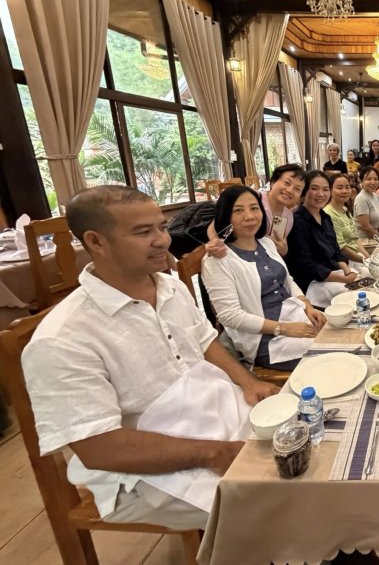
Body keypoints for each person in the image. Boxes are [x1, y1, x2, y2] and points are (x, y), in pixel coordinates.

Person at [22, 185, 278, 530]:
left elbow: (205, 341)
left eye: (162, 226)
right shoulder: (62, 338)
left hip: (218, 415)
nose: (163, 240)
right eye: (144, 232)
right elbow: (100, 448)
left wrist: (248, 382)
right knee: (279, 498)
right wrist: (217, 452)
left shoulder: (170, 286)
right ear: (96, 241)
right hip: (143, 471)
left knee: (313, 444)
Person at [202, 186, 325, 372]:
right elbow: (230, 316)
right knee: (329, 351)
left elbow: (288, 280)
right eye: (238, 211)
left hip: (294, 316)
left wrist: (307, 306)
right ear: (225, 216)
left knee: (341, 333)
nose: (250, 216)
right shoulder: (217, 260)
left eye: (254, 208)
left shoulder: (266, 243)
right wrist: (284, 328)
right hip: (263, 338)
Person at [287, 171, 360, 308]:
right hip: (312, 283)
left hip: (334, 274)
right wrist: (342, 278)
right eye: (314, 188)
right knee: (356, 297)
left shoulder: (325, 217)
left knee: (365, 281)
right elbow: (306, 266)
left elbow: (336, 251)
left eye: (325, 189)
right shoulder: (297, 221)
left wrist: (347, 271)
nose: (321, 194)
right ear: (304, 191)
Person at [207, 163, 304, 258]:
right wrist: (215, 242)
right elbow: (216, 224)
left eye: (297, 189)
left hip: (264, 261)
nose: (290, 190)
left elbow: (281, 245)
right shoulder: (253, 198)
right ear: (273, 182)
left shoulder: (288, 216)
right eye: (287, 183)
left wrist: (284, 250)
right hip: (235, 257)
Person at [325, 173, 370, 263]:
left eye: (347, 187)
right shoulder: (328, 214)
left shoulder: (345, 210)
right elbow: (341, 248)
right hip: (344, 262)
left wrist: (369, 258)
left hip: (357, 259)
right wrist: (366, 261)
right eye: (339, 188)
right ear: (330, 190)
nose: (344, 191)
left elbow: (356, 240)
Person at [354, 166, 379, 239]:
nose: (373, 182)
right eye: (368, 179)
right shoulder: (361, 198)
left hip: (375, 236)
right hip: (365, 240)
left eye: (376, 179)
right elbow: (365, 226)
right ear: (361, 181)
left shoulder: (375, 196)